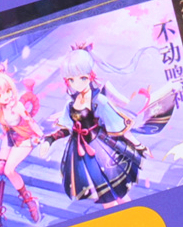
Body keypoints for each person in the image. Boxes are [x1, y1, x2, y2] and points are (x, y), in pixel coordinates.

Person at [45, 44, 148, 206]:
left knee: (116, 193)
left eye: (82, 78)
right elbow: (67, 127)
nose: (76, 83)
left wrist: (137, 144)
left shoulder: (99, 99)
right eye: (71, 80)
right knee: (105, 195)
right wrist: (50, 139)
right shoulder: (71, 103)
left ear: (90, 75)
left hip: (101, 148)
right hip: (81, 154)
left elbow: (116, 123)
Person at [0, 68, 45, 227]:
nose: (6, 96)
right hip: (11, 136)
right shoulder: (0, 110)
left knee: (9, 170)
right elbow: (6, 127)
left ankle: (29, 200)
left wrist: (42, 136)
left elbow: (30, 122)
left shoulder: (17, 106)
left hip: (24, 137)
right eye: (0, 95)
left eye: (8, 91)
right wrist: (5, 136)